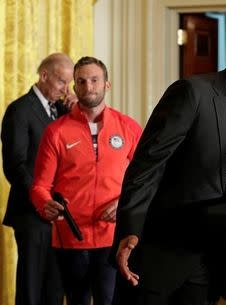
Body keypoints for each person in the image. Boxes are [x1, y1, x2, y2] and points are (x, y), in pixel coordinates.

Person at [112, 19, 226, 305]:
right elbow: (147, 166)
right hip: (159, 255)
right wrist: (130, 229)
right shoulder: (193, 93)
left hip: (208, 261)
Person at [30, 56, 142, 305]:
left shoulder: (129, 128)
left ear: (107, 84)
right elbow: (40, 186)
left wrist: (124, 203)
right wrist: (44, 203)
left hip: (115, 238)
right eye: (81, 81)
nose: (88, 87)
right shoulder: (56, 131)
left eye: (94, 80)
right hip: (69, 238)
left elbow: (146, 180)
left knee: (110, 300)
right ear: (74, 86)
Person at [1, 53, 76, 305]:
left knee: (55, 289)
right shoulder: (20, 110)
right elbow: (15, 165)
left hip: (61, 216)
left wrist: (77, 111)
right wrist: (41, 200)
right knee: (32, 289)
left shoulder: (64, 110)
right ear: (44, 76)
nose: (67, 89)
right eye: (62, 82)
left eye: (69, 84)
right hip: (32, 214)